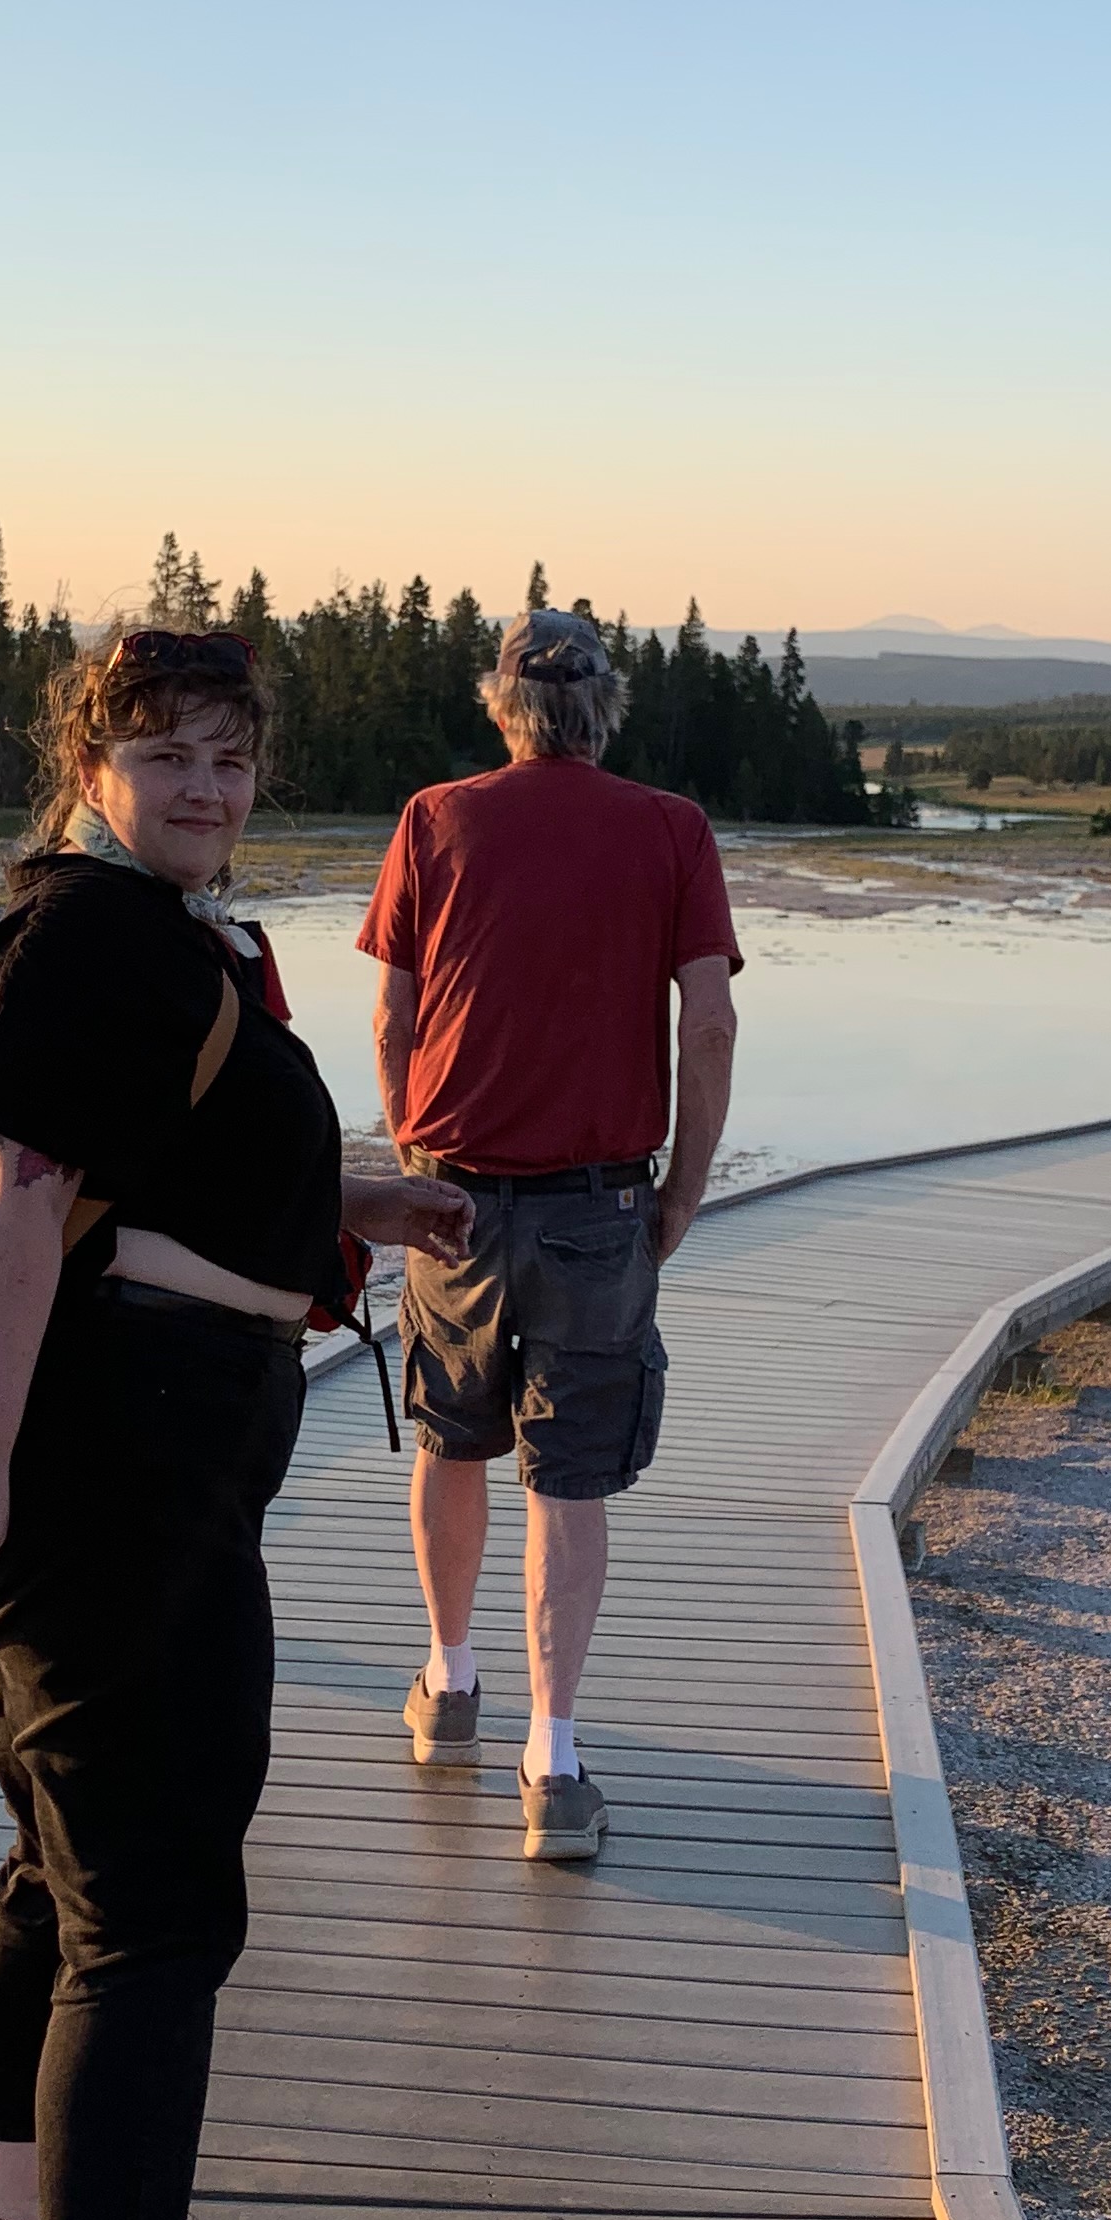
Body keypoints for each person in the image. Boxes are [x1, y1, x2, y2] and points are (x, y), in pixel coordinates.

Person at [0, 624, 468, 2220]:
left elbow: (161, 1174)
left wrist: (351, 1204)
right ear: (89, 762)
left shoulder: (158, 935)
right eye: (166, 755)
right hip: (109, 1455)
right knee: (154, 1910)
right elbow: (18, 1211)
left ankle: (12, 2215)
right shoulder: (72, 941)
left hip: (145, 1448)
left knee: (64, 1867)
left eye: (230, 753)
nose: (207, 787)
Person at [358, 605, 740, 1866]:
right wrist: (683, 1188)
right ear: (602, 706)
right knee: (569, 1476)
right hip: (600, 1204)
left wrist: (413, 1163)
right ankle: (554, 1762)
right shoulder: (672, 830)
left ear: (502, 704)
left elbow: (392, 1019)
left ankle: (450, 1686)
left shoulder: (434, 817)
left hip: (452, 1196)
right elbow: (710, 1027)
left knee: (450, 1435)